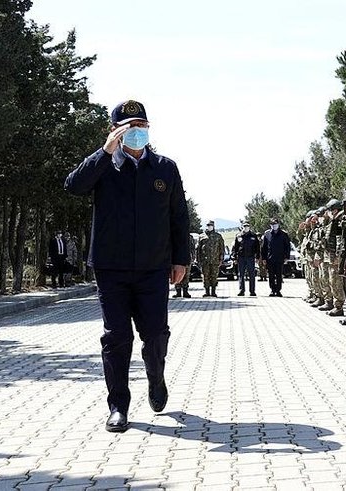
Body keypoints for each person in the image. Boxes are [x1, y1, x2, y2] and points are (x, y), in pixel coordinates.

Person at [64, 99, 190, 432]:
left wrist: (181, 259)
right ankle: (118, 405)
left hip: (153, 268)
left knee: (156, 335)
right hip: (112, 269)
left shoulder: (165, 168)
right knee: (116, 338)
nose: (136, 133)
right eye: (129, 128)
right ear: (115, 132)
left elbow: (179, 216)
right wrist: (104, 153)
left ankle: (156, 378)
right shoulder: (103, 167)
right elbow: (73, 186)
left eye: (142, 127)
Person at [323, 199, 345, 316]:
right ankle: (337, 305)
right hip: (332, 255)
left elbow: (340, 238)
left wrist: (337, 254)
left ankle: (339, 306)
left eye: (330, 211)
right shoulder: (334, 220)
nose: (328, 213)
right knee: (333, 280)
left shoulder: (339, 219)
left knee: (336, 281)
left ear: (335, 210)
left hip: (337, 255)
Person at [261, 218, 291, 297]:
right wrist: (264, 258)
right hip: (270, 258)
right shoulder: (267, 234)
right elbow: (264, 247)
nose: (274, 226)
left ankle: (278, 290)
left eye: (275, 224)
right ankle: (272, 290)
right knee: (271, 275)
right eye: (272, 224)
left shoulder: (284, 234)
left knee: (278, 275)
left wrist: (286, 257)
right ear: (270, 225)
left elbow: (287, 246)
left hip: (280, 258)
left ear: (278, 224)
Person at [232, 221, 260, 296]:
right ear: (242, 226)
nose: (246, 227)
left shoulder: (253, 235)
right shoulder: (239, 235)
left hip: (250, 257)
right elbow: (235, 248)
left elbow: (257, 247)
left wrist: (257, 257)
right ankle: (242, 290)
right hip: (241, 257)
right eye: (244, 226)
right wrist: (234, 257)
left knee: (252, 274)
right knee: (241, 274)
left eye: (247, 226)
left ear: (249, 226)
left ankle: (252, 291)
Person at [197, 220, 224, 297]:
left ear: (213, 226)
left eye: (211, 225)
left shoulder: (218, 236)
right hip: (205, 261)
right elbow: (198, 249)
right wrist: (198, 260)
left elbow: (221, 248)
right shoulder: (202, 236)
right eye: (208, 225)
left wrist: (221, 259)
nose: (209, 226)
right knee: (205, 276)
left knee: (214, 276)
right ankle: (207, 292)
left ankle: (213, 292)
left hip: (215, 260)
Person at [173, 234, 196, 298]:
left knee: (186, 275)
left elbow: (193, 248)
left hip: (187, 258)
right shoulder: (175, 235)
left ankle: (185, 292)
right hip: (177, 258)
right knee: (177, 275)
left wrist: (193, 257)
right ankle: (178, 292)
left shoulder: (190, 237)